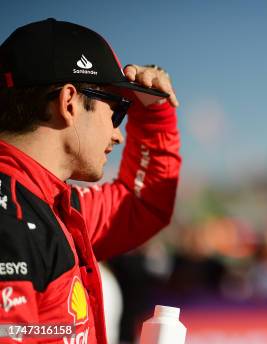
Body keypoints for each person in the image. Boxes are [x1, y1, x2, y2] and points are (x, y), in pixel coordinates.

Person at [0, 18, 181, 343]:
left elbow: (140, 204)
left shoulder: (51, 202)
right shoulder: (10, 219)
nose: (118, 134)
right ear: (69, 102)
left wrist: (153, 115)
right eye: (115, 111)